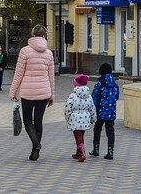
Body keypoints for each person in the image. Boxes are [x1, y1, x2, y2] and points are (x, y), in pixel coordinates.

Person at [9, 25, 55, 161]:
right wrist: (52, 95)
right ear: (44, 36)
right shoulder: (49, 53)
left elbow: (18, 74)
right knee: (38, 120)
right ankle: (35, 151)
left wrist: (13, 92)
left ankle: (36, 144)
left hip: (27, 92)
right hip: (43, 92)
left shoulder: (25, 51)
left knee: (28, 121)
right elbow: (51, 76)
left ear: (33, 34)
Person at [90, 63, 119, 160]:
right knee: (110, 131)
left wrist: (93, 110)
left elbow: (94, 99)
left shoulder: (99, 84)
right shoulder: (115, 85)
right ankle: (110, 152)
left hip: (100, 112)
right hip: (111, 112)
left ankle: (96, 149)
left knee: (97, 129)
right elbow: (117, 97)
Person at [65, 74, 96, 162]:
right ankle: (78, 152)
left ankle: (82, 153)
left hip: (75, 119)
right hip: (85, 119)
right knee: (81, 136)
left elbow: (68, 108)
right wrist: (93, 119)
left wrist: (68, 118)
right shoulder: (89, 96)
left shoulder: (72, 96)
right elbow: (92, 108)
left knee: (78, 137)